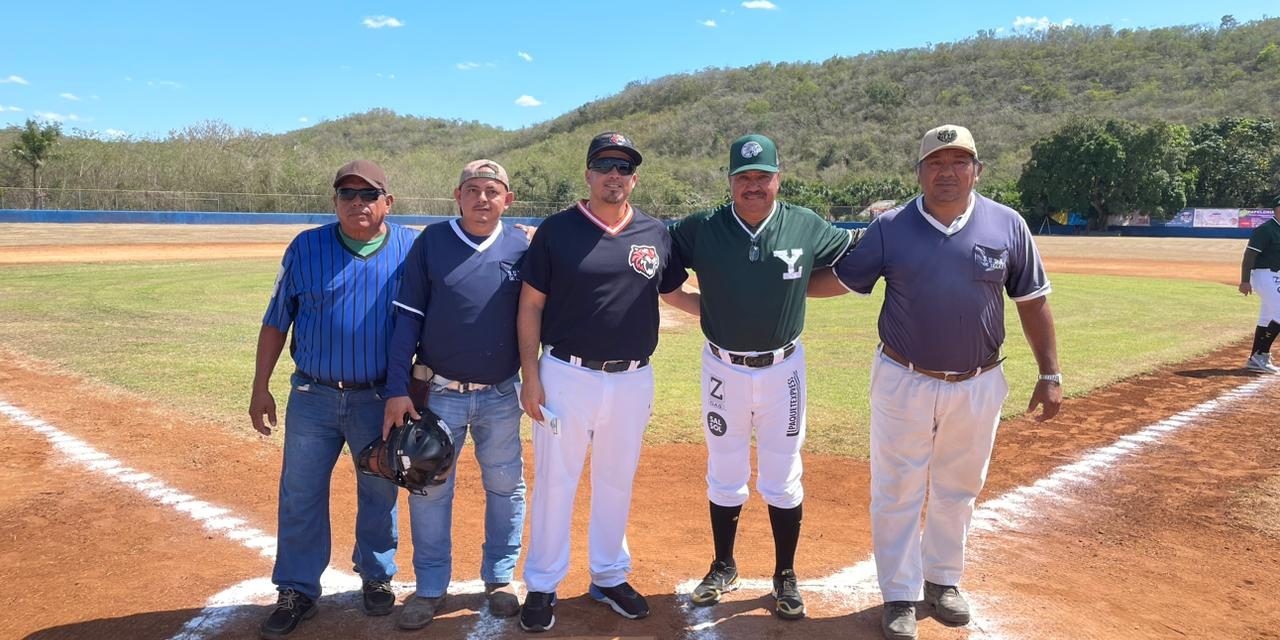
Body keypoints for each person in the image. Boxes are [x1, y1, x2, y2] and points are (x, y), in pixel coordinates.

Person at [809, 125, 1062, 640]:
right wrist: (773, 287)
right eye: (936, 163)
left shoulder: (1008, 224)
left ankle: (943, 580)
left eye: (959, 162)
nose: (947, 172)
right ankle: (899, 593)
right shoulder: (891, 227)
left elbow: (1032, 301)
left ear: (977, 170)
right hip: (905, 378)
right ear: (919, 172)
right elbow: (840, 280)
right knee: (897, 488)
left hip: (978, 381)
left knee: (959, 487)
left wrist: (1050, 373)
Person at [666, 134, 856, 620]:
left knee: (783, 473)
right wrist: (700, 307)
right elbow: (658, 265)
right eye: (743, 177)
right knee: (724, 469)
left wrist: (796, 292)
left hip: (782, 369)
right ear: (730, 182)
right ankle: (723, 565)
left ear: (778, 179)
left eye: (762, 177)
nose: (753, 185)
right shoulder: (702, 228)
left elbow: (853, 264)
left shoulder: (805, 224)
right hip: (722, 367)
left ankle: (785, 574)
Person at [515, 132, 699, 632]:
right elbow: (530, 304)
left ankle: (609, 575)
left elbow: (674, 293)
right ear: (588, 174)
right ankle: (543, 583)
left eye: (624, 167)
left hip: (632, 379)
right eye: (604, 166)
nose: (614, 175)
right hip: (566, 374)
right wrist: (531, 376)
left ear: (634, 178)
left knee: (617, 480)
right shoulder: (558, 230)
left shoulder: (655, 232)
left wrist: (726, 314)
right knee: (556, 481)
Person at [249, 160, 418, 639]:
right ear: (335, 201)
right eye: (347, 194)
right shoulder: (306, 247)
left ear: (388, 202)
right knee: (300, 493)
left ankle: (377, 574)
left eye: (369, 195)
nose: (357, 203)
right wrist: (260, 386)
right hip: (313, 395)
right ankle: (296, 588)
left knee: (379, 489)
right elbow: (276, 320)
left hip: (379, 398)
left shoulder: (411, 248)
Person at [380, 159, 530, 629]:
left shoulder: (521, 246)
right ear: (457, 196)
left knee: (505, 485)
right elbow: (408, 318)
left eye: (492, 190)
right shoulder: (433, 241)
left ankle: (500, 578)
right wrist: (397, 388)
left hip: (501, 394)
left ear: (508, 199)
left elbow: (539, 316)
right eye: (473, 189)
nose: (482, 198)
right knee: (429, 488)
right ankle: (429, 587)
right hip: (440, 393)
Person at [1239, 196, 1280, 374]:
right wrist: (1245, 280)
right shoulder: (1266, 230)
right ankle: (1261, 353)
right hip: (1264, 275)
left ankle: (1254, 359)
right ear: (1277, 209)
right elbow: (1249, 256)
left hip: (1276, 277)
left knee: (1267, 317)